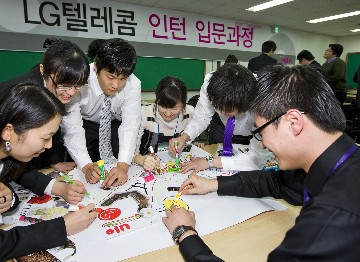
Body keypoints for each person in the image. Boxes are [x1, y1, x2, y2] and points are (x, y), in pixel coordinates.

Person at [163, 65, 360, 260]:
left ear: (293, 122)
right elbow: (274, 182)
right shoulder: (337, 165)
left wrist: (185, 232)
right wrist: (213, 184)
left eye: (260, 130)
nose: (263, 144)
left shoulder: (331, 219)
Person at [0, 82, 97, 261]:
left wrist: (9, 199)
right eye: (45, 138)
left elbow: (15, 177)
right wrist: (61, 227)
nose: (48, 146)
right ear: (8, 131)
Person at [0, 39, 90, 205]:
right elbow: (15, 156)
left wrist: (55, 180)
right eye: (64, 85)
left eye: (78, 86)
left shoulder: (46, 90)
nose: (71, 92)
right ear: (43, 70)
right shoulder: (25, 97)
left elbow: (16, 157)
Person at [62, 38, 141, 188]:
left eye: (122, 78)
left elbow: (130, 125)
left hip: (113, 124)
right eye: (110, 77)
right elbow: (72, 127)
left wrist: (122, 166)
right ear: (96, 67)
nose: (115, 85)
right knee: (86, 168)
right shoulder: (80, 78)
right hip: (86, 124)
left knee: (119, 160)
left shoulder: (133, 84)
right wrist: (86, 165)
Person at [169, 64, 272, 172]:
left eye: (229, 110)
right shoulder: (211, 84)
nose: (223, 112)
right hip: (221, 126)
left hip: (252, 132)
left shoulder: (261, 98)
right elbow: (202, 117)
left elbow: (255, 158)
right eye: (218, 107)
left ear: (246, 104)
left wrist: (210, 162)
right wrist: (184, 137)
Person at [133, 76, 195, 171]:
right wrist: (141, 160)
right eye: (163, 107)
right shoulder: (144, 113)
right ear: (157, 100)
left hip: (177, 165)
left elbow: (189, 141)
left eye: (174, 108)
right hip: (148, 167)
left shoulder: (189, 113)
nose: (168, 113)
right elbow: (130, 151)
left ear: (183, 104)